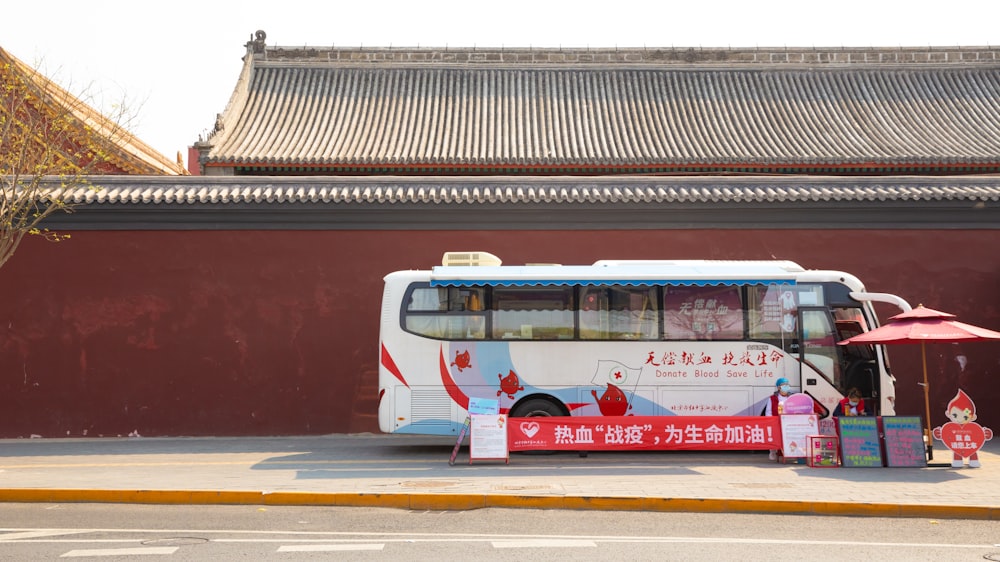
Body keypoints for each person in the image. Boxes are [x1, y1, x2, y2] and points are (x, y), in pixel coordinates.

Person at [763, 377, 792, 460]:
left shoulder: (791, 397)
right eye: (783, 385)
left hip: (789, 422)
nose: (786, 386)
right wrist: (770, 422)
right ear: (778, 387)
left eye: (787, 384)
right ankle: (772, 452)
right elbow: (768, 412)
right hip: (777, 422)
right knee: (774, 436)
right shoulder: (772, 398)